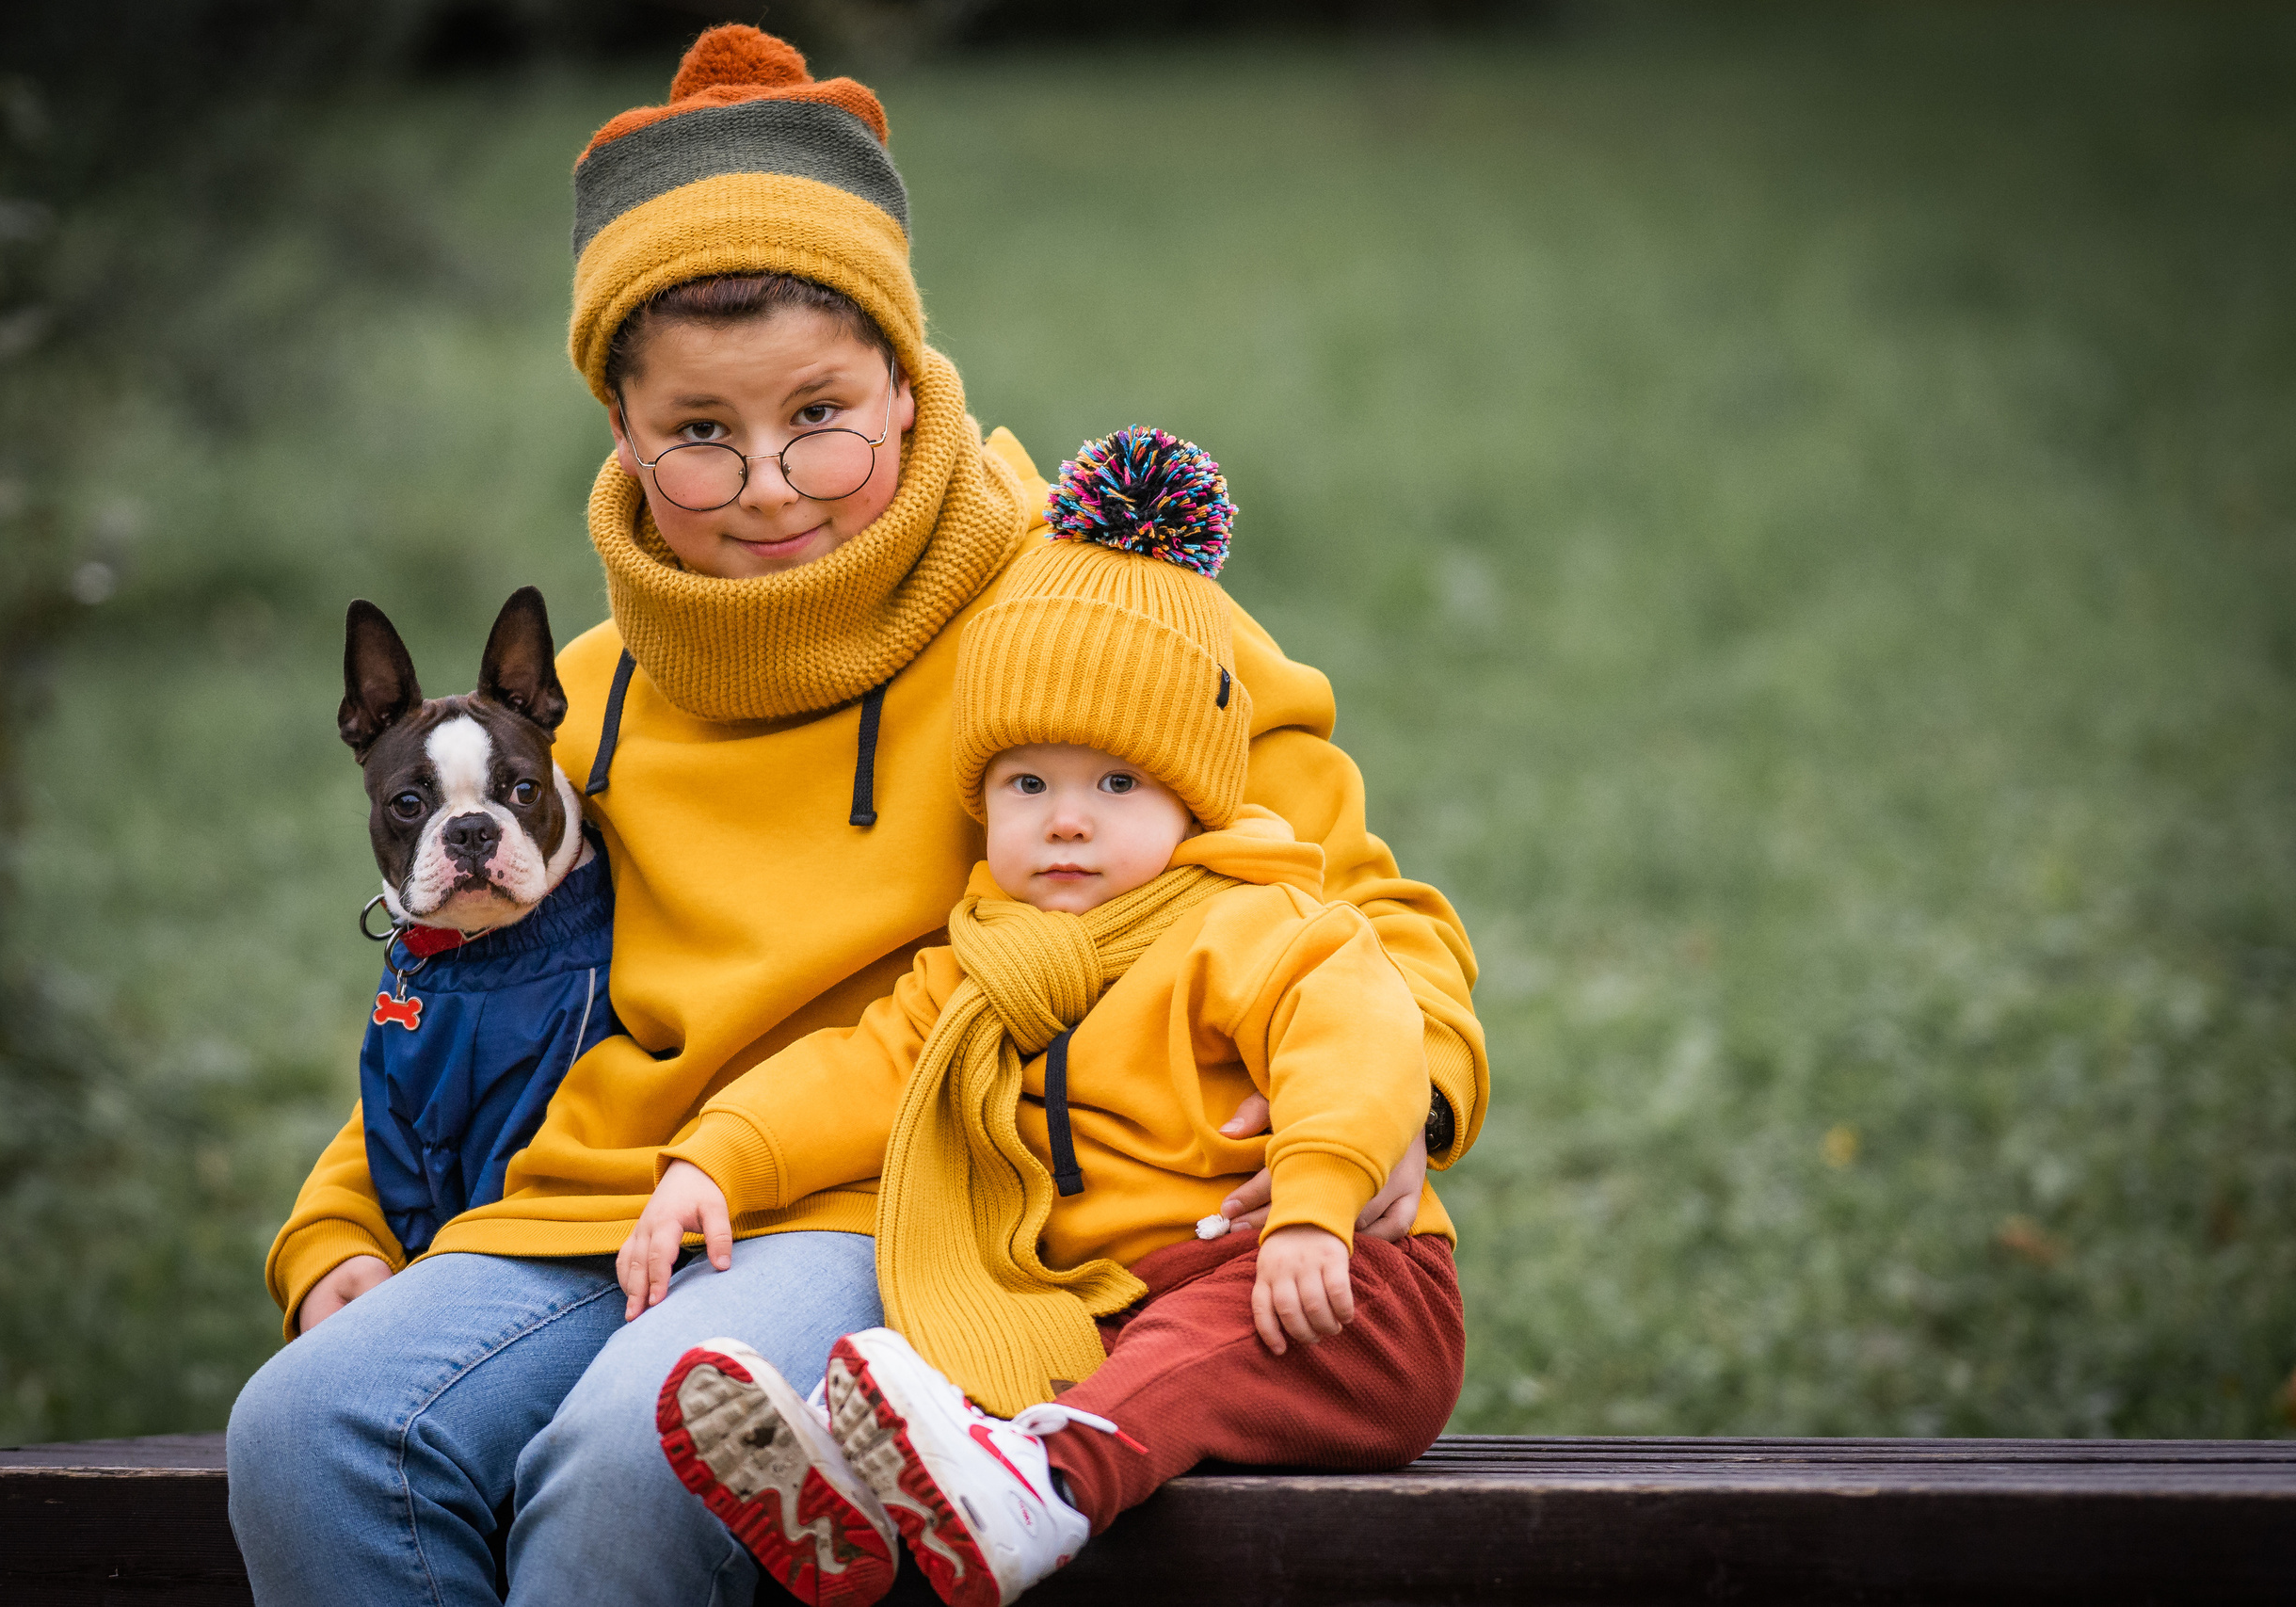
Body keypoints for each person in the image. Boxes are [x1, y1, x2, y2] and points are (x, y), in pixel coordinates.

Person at [225, 25, 1485, 1607]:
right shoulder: (581, 706)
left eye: (823, 413)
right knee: (308, 1428)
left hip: (905, 1197)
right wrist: (339, 1223)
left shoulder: (1098, 623)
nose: (769, 483)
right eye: (699, 433)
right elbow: (468, 976)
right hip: (606, 1196)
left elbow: (1357, 906)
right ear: (619, 428)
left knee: (632, 1457)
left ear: (909, 374)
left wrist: (1402, 1103)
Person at [643, 429, 1470, 1607]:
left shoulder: (1247, 920)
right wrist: (718, 1158)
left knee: (1206, 1345)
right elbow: (865, 1067)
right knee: (1005, 1340)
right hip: (1119, 1305)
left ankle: (1039, 1483)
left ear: (1190, 793)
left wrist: (1316, 1197)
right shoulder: (987, 961)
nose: (1067, 821)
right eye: (1027, 785)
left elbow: (1358, 1037)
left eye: (1115, 784)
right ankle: (854, 1499)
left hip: (1330, 1291)